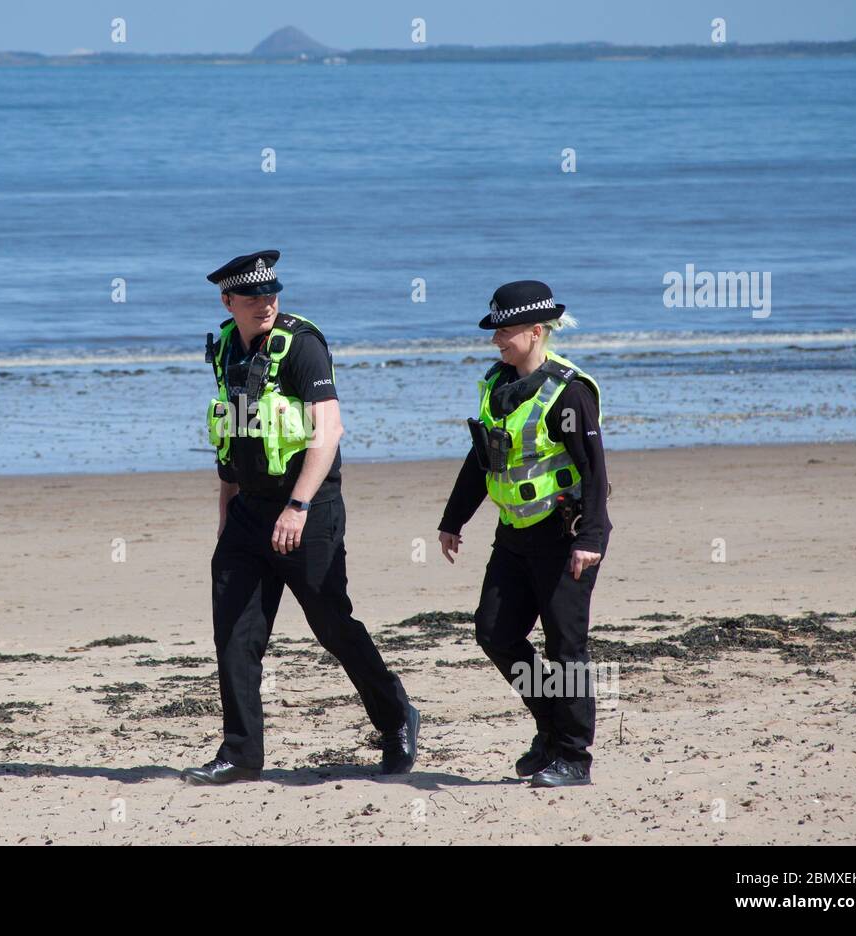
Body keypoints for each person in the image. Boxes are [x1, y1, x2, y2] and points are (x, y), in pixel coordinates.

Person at [182, 250, 418, 785]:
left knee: (333, 626)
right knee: (235, 635)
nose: (265, 303)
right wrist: (226, 515)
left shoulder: (303, 345)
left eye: (271, 294)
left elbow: (328, 430)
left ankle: (396, 717)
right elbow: (234, 433)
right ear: (228, 301)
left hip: (308, 510)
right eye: (252, 297)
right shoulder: (223, 347)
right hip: (247, 514)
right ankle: (240, 754)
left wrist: (298, 505)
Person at [437, 280, 611, 787]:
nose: (497, 340)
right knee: (495, 632)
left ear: (536, 332)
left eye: (506, 331)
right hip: (513, 534)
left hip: (565, 537)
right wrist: (454, 519)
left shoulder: (570, 392)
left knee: (566, 648)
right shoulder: (496, 384)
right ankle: (551, 726)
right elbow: (480, 459)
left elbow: (597, 475)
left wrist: (591, 539)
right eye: (495, 330)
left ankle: (574, 756)